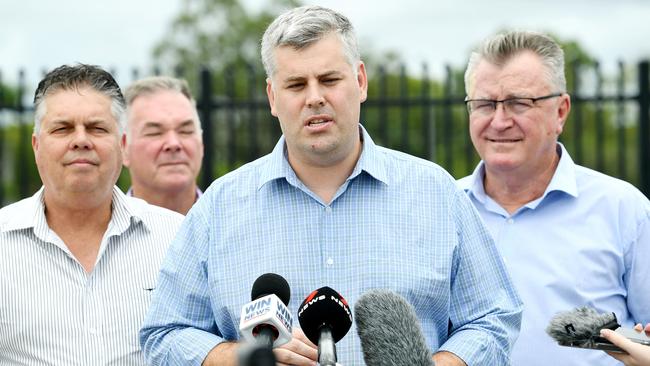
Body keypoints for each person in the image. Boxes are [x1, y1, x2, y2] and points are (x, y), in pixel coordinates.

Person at [140, 6, 522, 366]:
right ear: (273, 97)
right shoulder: (219, 207)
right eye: (295, 85)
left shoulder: (436, 193)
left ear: (360, 81)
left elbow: (494, 316)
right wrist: (240, 357)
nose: (314, 98)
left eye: (329, 79)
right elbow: (165, 333)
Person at [458, 30, 650, 366]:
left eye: (519, 102)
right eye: (485, 104)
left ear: (560, 111)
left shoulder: (624, 210)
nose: (500, 121)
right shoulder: (442, 209)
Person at [0, 64, 184, 365]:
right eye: (63, 128)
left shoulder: (176, 238)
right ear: (36, 147)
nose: (81, 140)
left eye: (97, 128)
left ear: (123, 146)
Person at [123, 76, 204, 215]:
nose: (173, 143)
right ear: (123, 149)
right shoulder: (99, 233)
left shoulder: (235, 226)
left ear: (201, 143)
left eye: (185, 131)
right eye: (155, 133)